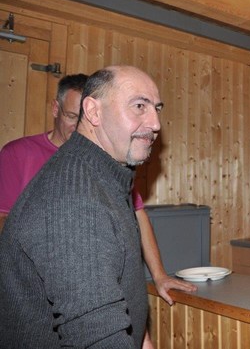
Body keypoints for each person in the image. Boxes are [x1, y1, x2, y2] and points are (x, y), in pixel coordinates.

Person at [0, 66, 164, 347]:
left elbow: (116, 283)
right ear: (93, 111)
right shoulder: (74, 196)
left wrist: (141, 337)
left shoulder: (104, 176)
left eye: (156, 108)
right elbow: (97, 336)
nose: (156, 123)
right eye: (139, 106)